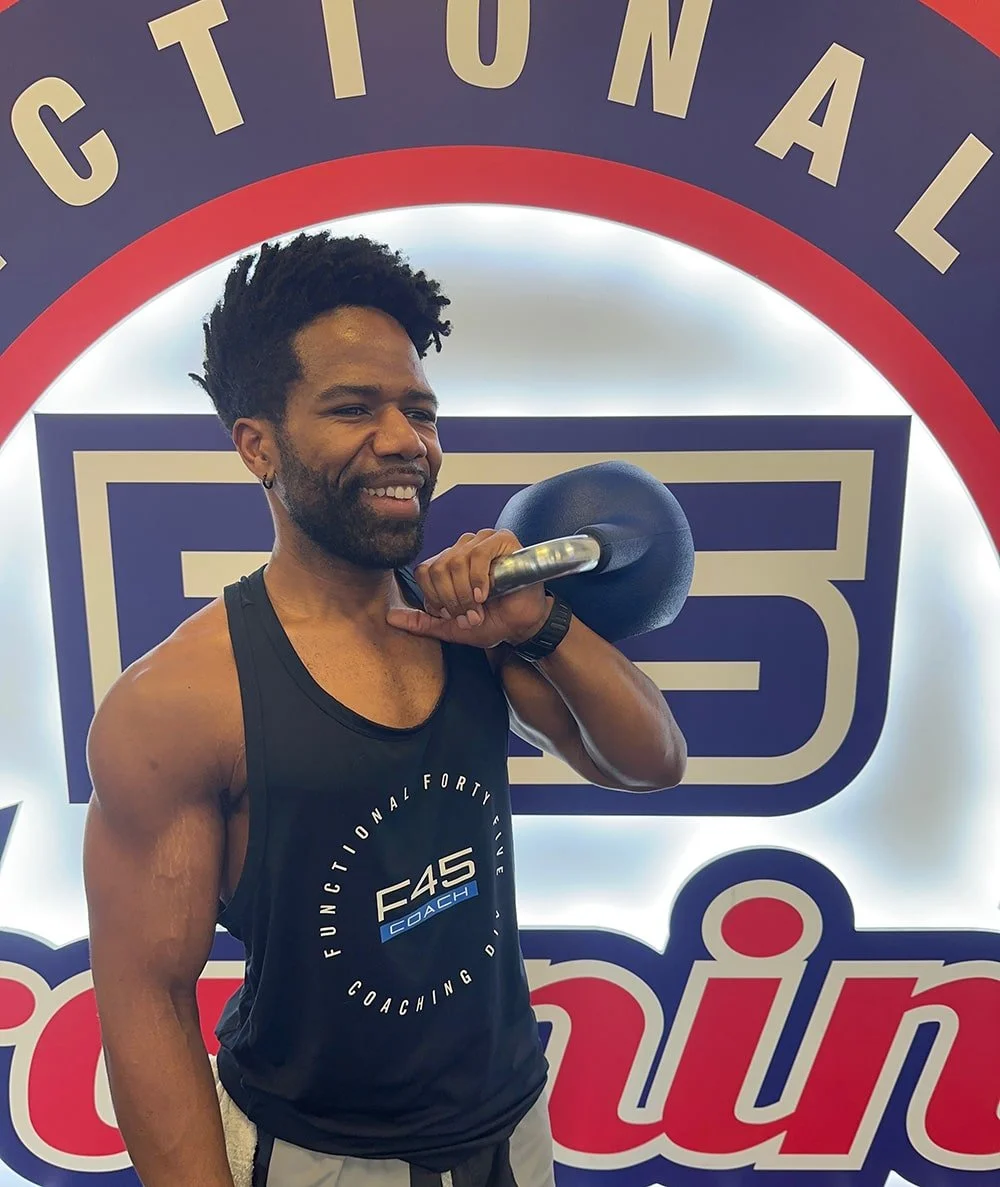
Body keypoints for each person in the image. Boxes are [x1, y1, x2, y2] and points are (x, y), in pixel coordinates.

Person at [83, 232, 688, 1187]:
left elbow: (652, 760)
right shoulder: (178, 704)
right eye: (354, 408)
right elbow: (146, 997)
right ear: (258, 445)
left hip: (511, 1126)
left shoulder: (478, 627)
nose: (406, 439)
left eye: (419, 410)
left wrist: (540, 625)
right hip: (320, 1156)